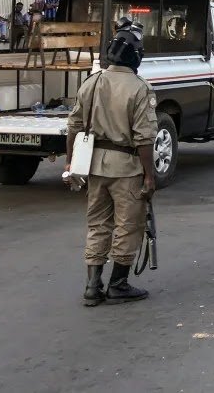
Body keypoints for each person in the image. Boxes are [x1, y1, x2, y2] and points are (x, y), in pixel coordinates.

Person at [66, 16, 158, 306]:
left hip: (94, 165)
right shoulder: (138, 88)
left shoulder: (92, 83)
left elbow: (74, 126)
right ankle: (118, 283)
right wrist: (150, 176)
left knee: (97, 224)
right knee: (128, 224)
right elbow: (144, 138)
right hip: (126, 167)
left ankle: (93, 286)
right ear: (136, 56)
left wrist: (70, 163)